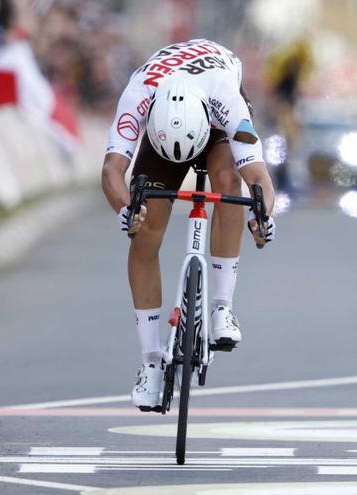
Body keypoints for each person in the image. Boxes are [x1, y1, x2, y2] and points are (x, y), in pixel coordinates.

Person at [101, 39, 276, 412]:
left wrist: (263, 215)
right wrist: (126, 210)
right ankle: (149, 360)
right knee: (145, 226)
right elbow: (112, 169)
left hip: (213, 127)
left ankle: (221, 307)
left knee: (229, 180)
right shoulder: (138, 95)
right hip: (164, 130)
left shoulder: (226, 99)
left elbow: (257, 174)